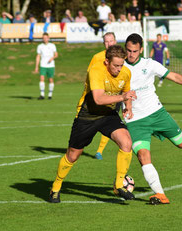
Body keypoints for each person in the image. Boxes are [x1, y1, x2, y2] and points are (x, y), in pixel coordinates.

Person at [124, 33, 182, 205]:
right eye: (128, 51)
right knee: (142, 155)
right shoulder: (119, 67)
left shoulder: (149, 64)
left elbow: (173, 76)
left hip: (157, 113)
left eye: (134, 51)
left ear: (140, 50)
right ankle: (160, 194)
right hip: (135, 121)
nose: (131, 55)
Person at [49, 45, 137, 203]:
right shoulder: (96, 70)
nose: (119, 69)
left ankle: (119, 185)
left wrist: (128, 107)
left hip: (108, 115)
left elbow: (127, 93)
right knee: (73, 155)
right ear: (106, 62)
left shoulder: (126, 72)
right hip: (87, 115)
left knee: (127, 142)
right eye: (116, 65)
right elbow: (98, 99)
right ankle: (56, 186)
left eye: (121, 65)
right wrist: (122, 98)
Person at [88, 32, 118, 160]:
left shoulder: (123, 57)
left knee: (109, 121)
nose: (109, 44)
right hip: (101, 95)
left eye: (111, 41)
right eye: (106, 41)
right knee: (94, 122)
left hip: (116, 96)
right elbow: (89, 74)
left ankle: (99, 151)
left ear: (115, 42)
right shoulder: (97, 57)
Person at [34, 33, 58, 100]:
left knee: (50, 79)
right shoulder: (40, 46)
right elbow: (38, 56)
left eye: (46, 38)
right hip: (43, 65)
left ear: (48, 38)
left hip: (51, 65)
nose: (44, 39)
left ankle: (50, 95)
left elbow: (56, 54)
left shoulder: (52, 45)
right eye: (43, 38)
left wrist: (52, 58)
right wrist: (36, 66)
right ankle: (42, 95)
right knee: (41, 78)